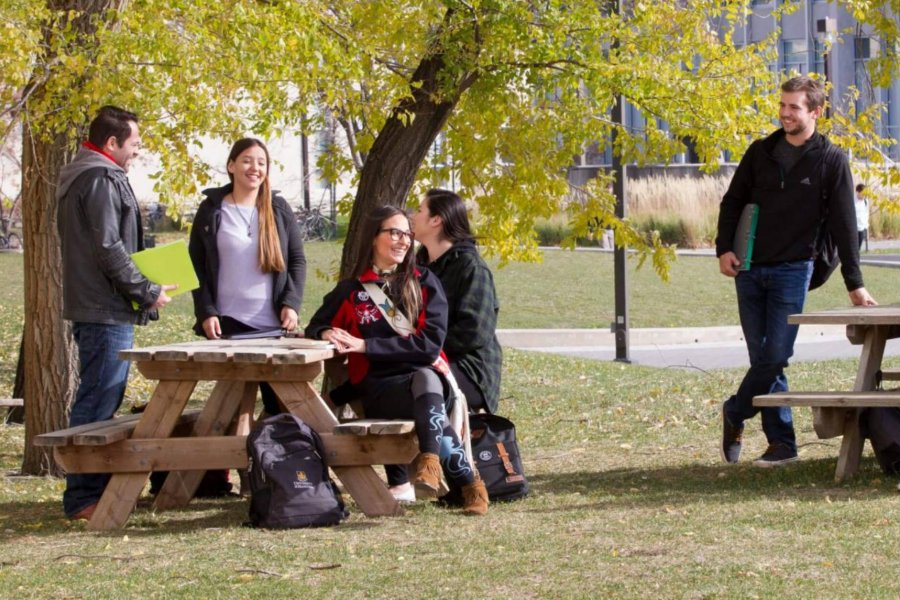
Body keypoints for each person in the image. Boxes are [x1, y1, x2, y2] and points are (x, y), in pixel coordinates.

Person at [716, 76, 877, 468]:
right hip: (750, 267)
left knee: (776, 354)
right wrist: (723, 249)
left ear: (815, 112)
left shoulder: (831, 160)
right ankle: (782, 444)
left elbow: (843, 226)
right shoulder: (761, 152)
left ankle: (736, 410)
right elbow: (732, 202)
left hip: (794, 268)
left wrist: (854, 284)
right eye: (783, 105)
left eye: (794, 107)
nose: (785, 113)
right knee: (763, 357)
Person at [305, 206, 489, 516]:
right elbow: (315, 325)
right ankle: (469, 485)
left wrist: (366, 345)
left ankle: (429, 463)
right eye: (394, 232)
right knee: (426, 389)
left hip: (431, 384)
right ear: (374, 237)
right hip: (382, 392)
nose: (403, 241)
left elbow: (429, 347)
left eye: (407, 234)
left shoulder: (425, 282)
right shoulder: (352, 291)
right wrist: (326, 331)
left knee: (425, 376)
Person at [56, 105, 175, 520]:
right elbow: (109, 248)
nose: (136, 152)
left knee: (103, 397)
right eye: (134, 144)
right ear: (112, 143)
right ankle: (83, 497)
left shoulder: (91, 176)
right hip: (103, 309)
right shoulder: (101, 179)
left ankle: (95, 490)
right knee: (97, 401)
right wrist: (146, 291)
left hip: (103, 306)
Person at [189, 138, 306, 416]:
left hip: (273, 328)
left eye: (261, 162)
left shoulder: (277, 208)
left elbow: (298, 260)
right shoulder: (211, 209)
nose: (255, 167)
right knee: (227, 414)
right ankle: (224, 461)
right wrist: (206, 311)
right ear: (231, 166)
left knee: (282, 409)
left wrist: (291, 302)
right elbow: (197, 267)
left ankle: (277, 459)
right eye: (247, 160)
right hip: (227, 327)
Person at [855, 183, 869, 251]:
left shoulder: (866, 201)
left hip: (862, 228)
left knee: (858, 248)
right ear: (857, 192)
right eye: (862, 193)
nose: (864, 195)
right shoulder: (852, 201)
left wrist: (866, 228)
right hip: (853, 228)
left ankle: (856, 260)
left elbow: (866, 214)